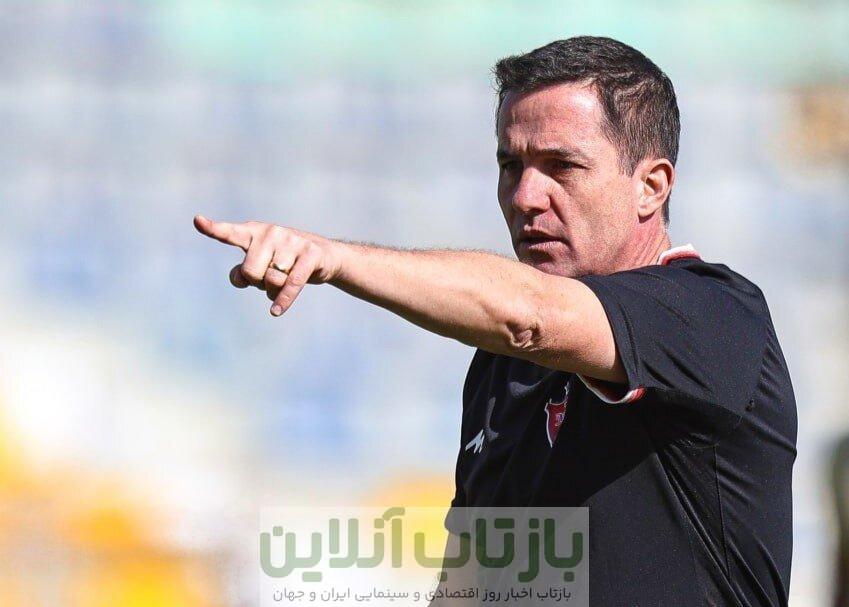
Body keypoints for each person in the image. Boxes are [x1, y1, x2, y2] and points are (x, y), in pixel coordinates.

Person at [194, 36, 796, 606]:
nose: (526, 195)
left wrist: (336, 259)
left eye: (561, 166)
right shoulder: (503, 368)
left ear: (650, 186)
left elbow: (531, 316)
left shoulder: (712, 313)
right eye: (511, 165)